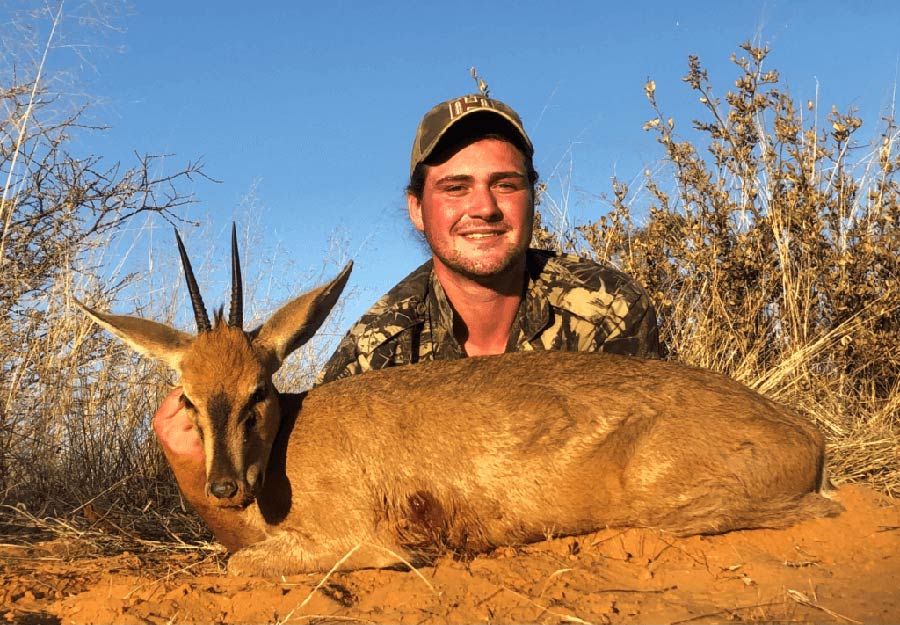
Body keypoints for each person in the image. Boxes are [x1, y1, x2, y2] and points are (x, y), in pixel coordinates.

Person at [153, 93, 661, 548]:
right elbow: (316, 528)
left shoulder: (607, 306)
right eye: (456, 188)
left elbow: (644, 442)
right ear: (417, 208)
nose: (482, 207)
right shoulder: (377, 349)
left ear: (533, 196)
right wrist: (188, 466)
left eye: (505, 184)